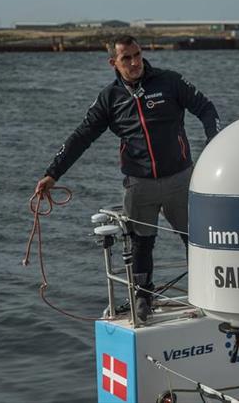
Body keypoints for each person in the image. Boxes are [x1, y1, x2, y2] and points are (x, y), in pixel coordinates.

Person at [34, 35, 221, 321]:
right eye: (127, 58)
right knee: (141, 243)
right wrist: (52, 173)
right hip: (139, 184)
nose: (135, 62)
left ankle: (207, 293)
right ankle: (143, 298)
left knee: (195, 240)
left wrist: (214, 142)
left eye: (137, 55)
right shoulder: (110, 98)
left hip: (180, 180)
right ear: (113, 62)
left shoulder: (169, 81)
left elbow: (206, 108)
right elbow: (81, 137)